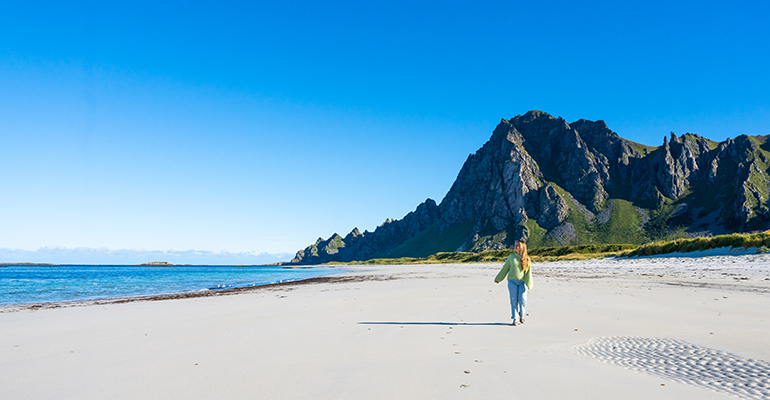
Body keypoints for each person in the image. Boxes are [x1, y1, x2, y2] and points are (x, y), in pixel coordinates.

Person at [494, 240, 533, 326]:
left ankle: (522, 315)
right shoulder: (511, 257)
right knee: (513, 300)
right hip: (512, 282)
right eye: (515, 245)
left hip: (523, 282)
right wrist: (498, 278)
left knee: (522, 300)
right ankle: (515, 318)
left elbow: (528, 272)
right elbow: (505, 268)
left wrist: (529, 284)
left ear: (522, 247)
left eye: (517, 246)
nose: (515, 247)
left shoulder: (527, 258)